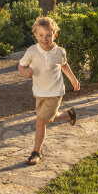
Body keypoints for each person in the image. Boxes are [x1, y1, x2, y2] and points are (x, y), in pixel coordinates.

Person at [18, 15, 81, 165]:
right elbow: (21, 65)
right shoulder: (32, 51)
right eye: (41, 35)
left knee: (40, 122)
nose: (44, 39)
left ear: (55, 35)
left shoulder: (59, 51)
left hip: (55, 92)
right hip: (39, 92)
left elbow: (64, 65)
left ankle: (36, 153)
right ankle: (68, 115)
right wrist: (24, 72)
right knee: (46, 119)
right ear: (35, 35)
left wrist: (73, 79)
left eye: (48, 35)